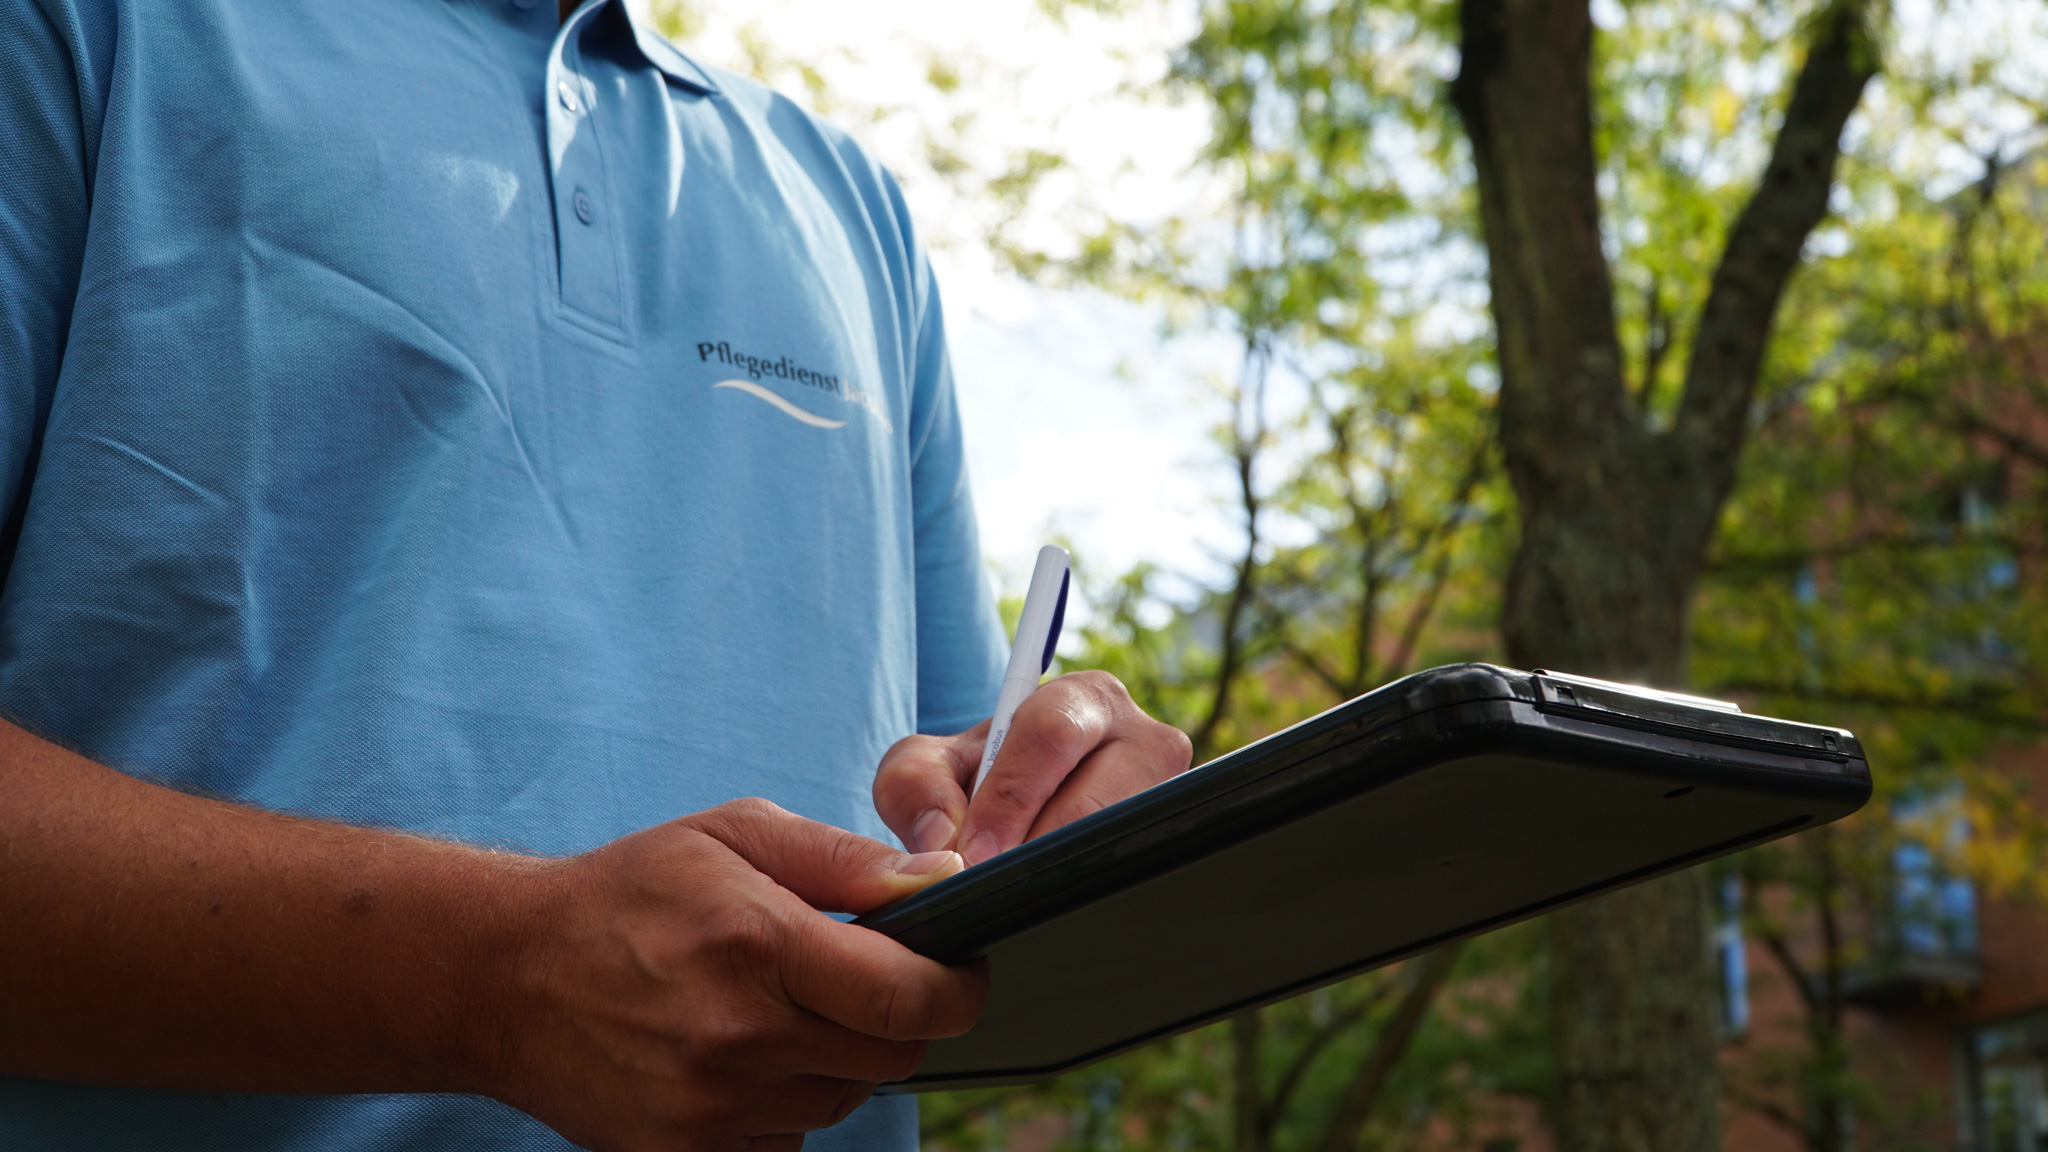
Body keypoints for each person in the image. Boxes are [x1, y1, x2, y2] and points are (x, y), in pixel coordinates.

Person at [0, 0, 1194, 1149]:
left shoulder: (854, 211)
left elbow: (958, 827)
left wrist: (1062, 806)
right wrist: (491, 976)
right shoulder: (84, 28)